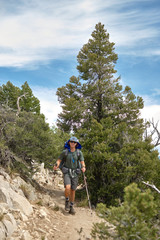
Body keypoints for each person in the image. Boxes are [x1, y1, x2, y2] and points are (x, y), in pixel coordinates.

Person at [53, 136, 86, 215]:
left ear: (76, 144)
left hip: (75, 173)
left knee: (73, 190)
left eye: (74, 142)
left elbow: (82, 162)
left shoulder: (79, 153)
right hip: (67, 172)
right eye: (71, 142)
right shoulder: (65, 152)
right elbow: (59, 160)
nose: (73, 143)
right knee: (68, 187)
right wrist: (56, 165)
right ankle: (67, 200)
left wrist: (83, 167)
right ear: (69, 142)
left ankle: (71, 206)